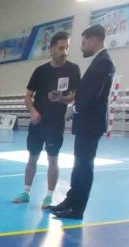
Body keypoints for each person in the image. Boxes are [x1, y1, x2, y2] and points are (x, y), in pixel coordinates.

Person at [49, 25, 115, 220]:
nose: (82, 47)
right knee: (79, 165)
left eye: (84, 43)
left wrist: (74, 109)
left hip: (90, 123)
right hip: (87, 123)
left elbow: (92, 95)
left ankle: (77, 208)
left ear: (93, 40)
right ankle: (71, 200)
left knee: (84, 166)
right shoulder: (99, 62)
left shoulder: (103, 63)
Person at [13, 31, 80, 208]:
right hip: (38, 123)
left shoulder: (73, 69)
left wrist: (61, 99)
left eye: (67, 48)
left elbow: (74, 96)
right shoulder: (40, 71)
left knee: (53, 158)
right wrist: (33, 112)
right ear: (51, 49)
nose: (65, 52)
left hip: (56, 123)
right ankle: (26, 191)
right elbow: (28, 96)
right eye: (61, 48)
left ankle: (49, 195)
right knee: (32, 157)